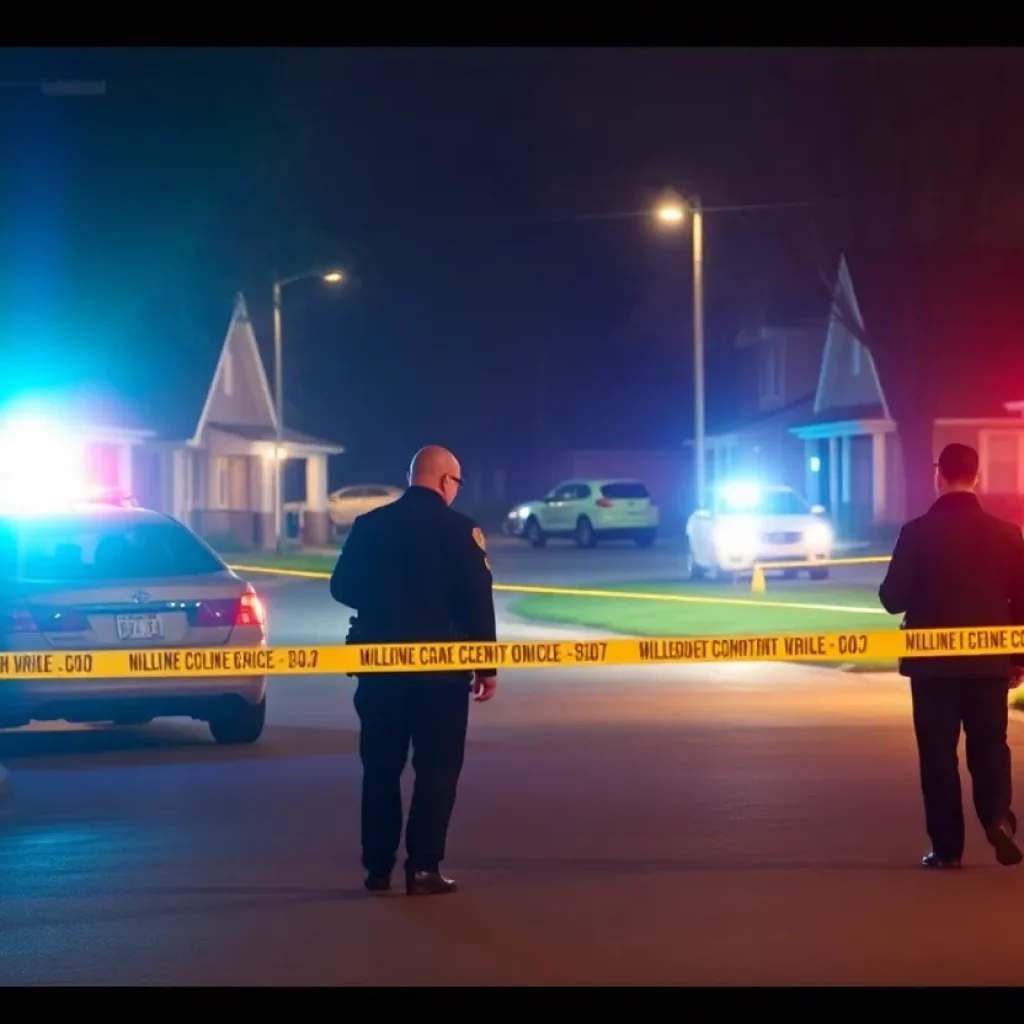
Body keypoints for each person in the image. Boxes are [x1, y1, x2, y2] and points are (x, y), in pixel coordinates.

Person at [330, 445, 497, 896]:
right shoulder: (461, 531)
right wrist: (487, 667)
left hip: (378, 669)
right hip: (441, 675)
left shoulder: (369, 525)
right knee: (436, 770)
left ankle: (377, 868)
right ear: (446, 482)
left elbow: (341, 587)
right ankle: (423, 868)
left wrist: (386, 604)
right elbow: (478, 601)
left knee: (381, 769)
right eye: (456, 483)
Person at [879, 442, 1024, 869]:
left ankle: (947, 848)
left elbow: (893, 600)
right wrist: (1018, 658)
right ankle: (997, 817)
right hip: (989, 662)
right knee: (990, 744)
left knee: (938, 755)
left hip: (932, 667)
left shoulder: (916, 532)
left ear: (938, 475)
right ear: (977, 477)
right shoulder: (1008, 533)